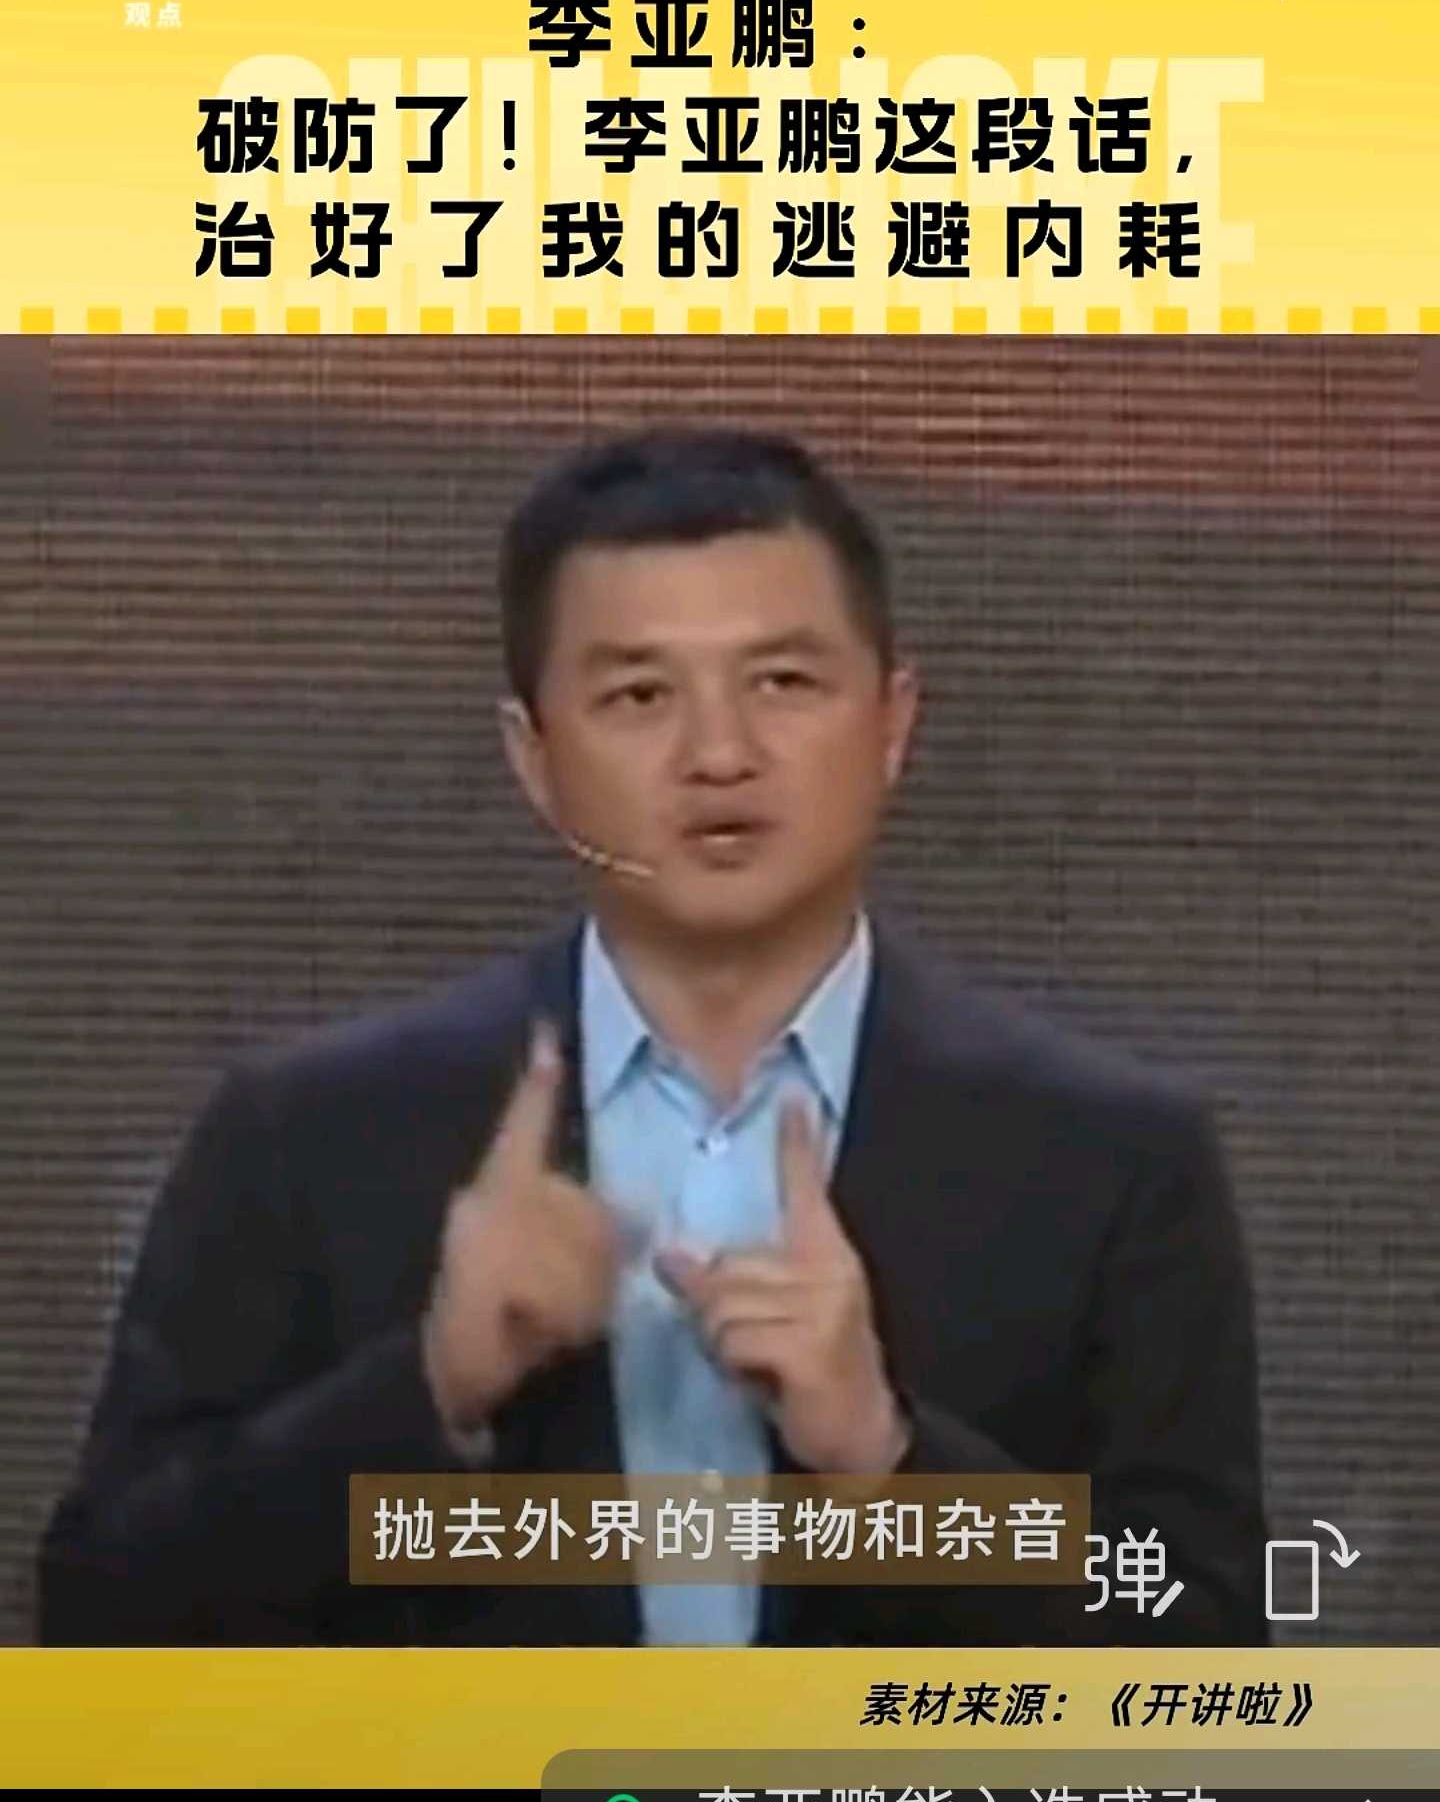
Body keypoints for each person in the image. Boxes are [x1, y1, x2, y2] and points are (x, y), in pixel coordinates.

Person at [39, 428, 1267, 1647]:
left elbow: (1203, 1657)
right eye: (639, 696)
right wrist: (428, 1386)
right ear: (534, 758)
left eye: (784, 683)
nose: (719, 756)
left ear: (893, 722)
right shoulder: (308, 1140)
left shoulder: (1113, 1163)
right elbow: (103, 1622)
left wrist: (886, 1466)